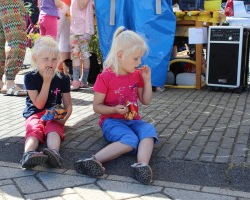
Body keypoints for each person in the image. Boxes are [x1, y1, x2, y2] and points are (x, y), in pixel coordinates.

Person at [74, 26, 158, 185]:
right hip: (111, 121)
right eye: (136, 58)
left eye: (140, 58)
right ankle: (93, 161)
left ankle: (142, 166)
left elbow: (145, 100)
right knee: (130, 139)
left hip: (133, 120)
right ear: (120, 55)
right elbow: (97, 107)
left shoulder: (137, 74)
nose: (139, 62)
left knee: (149, 130)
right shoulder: (105, 77)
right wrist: (113, 109)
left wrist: (147, 81)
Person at [21, 36, 72, 169]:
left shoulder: (63, 78)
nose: (50, 63)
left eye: (54, 59)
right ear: (35, 59)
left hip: (54, 112)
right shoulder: (30, 77)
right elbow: (39, 105)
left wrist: (64, 118)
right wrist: (47, 82)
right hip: (35, 113)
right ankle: (28, 154)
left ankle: (54, 153)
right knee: (34, 129)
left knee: (54, 128)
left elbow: (68, 104)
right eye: (45, 59)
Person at [69, 0, 94, 90]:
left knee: (83, 55)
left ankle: (82, 80)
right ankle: (78, 80)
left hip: (83, 30)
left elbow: (81, 5)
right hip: (75, 28)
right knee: (76, 55)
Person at [56, 0, 71, 75]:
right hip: (64, 6)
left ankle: (64, 72)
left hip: (64, 6)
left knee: (58, 39)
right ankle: (64, 73)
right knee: (62, 40)